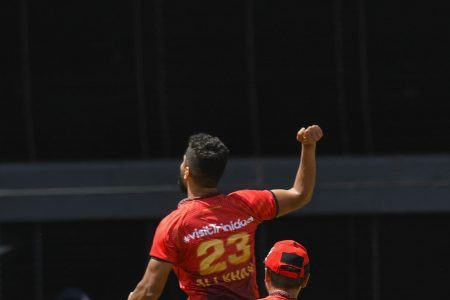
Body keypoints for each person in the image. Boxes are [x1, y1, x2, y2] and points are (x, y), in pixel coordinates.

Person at [128, 125, 323, 300]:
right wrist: (308, 147)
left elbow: (149, 291)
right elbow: (300, 195)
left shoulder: (174, 225)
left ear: (187, 171)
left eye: (182, 162)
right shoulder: (245, 205)